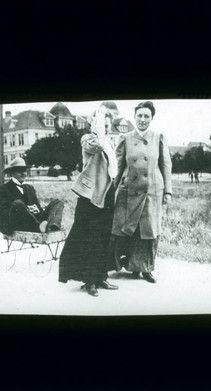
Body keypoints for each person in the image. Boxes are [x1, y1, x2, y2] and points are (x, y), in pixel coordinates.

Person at [58, 106, 119, 297]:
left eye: (108, 126)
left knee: (103, 236)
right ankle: (89, 280)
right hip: (90, 196)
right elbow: (98, 145)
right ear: (95, 125)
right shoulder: (88, 139)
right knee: (89, 238)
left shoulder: (108, 142)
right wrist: (97, 124)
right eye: (103, 125)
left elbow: (112, 168)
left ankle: (100, 276)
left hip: (107, 194)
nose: (106, 129)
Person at [110, 101, 172, 283]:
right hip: (128, 190)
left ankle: (146, 269)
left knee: (149, 230)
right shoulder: (125, 138)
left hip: (152, 190)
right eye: (140, 115)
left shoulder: (158, 137)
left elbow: (166, 165)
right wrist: (111, 190)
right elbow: (117, 166)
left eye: (147, 116)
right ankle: (130, 266)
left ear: (151, 118)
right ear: (134, 117)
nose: (143, 119)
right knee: (126, 228)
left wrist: (168, 191)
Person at [0, 157, 64, 235]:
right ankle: (39, 228)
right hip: (16, 224)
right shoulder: (3, 189)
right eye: (19, 171)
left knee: (57, 202)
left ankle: (52, 227)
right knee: (17, 204)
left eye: (24, 170)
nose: (23, 173)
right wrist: (24, 210)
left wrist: (37, 210)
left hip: (33, 222)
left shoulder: (30, 188)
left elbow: (38, 210)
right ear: (12, 173)